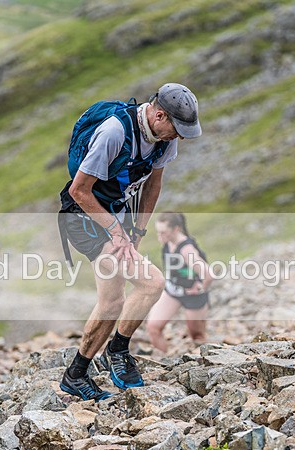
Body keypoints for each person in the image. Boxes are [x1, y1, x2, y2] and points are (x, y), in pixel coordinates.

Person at [57, 83, 202, 401]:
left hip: (116, 218)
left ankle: (77, 375)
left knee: (111, 301)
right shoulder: (113, 132)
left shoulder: (164, 140)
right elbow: (78, 191)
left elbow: (154, 184)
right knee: (152, 283)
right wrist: (118, 233)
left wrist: (137, 230)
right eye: (175, 130)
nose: (177, 138)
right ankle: (117, 352)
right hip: (83, 216)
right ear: (159, 114)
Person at [146, 213, 212, 353]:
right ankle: (164, 363)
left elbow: (209, 274)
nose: (159, 236)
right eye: (158, 231)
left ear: (176, 229)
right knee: (153, 328)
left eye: (163, 232)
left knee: (197, 336)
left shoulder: (186, 250)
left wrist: (200, 288)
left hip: (193, 296)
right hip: (172, 291)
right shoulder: (167, 242)